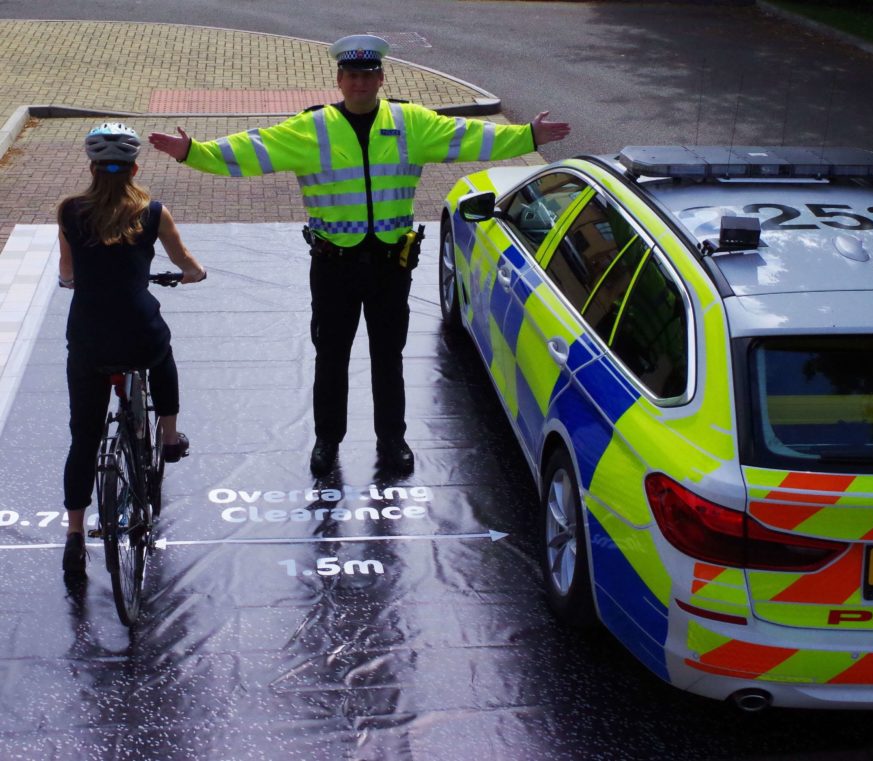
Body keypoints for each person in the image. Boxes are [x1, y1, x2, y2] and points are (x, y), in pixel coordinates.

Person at [148, 34, 570, 478]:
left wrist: (526, 136)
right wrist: (193, 153)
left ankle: (393, 440)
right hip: (333, 266)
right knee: (331, 356)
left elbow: (468, 139)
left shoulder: (413, 123)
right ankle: (327, 440)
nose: (360, 84)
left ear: (381, 79)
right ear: (340, 80)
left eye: (368, 76)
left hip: (391, 265)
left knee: (389, 356)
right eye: (352, 76)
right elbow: (251, 151)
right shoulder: (311, 128)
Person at [58, 123, 207, 579]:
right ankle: (168, 434)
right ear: (135, 168)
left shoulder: (69, 212)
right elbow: (189, 265)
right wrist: (191, 275)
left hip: (88, 336)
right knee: (160, 352)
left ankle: (75, 535)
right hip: (137, 330)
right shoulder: (153, 212)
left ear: (91, 168)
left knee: (83, 437)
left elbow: (68, 276)